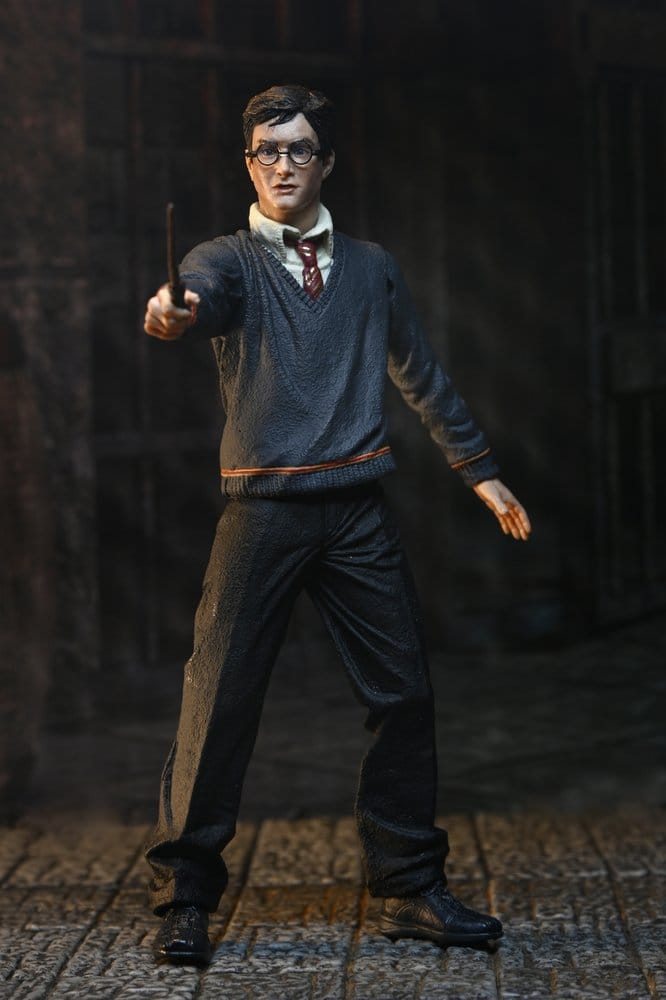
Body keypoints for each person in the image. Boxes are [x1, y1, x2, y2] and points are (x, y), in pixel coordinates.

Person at [143, 84, 531, 966]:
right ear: (248, 163)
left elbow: (418, 371)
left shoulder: (369, 265)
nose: (283, 166)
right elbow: (196, 298)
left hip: (357, 511)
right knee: (218, 699)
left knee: (404, 696)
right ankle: (184, 896)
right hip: (263, 511)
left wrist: (479, 469)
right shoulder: (226, 260)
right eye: (267, 151)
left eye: (300, 150)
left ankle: (408, 887)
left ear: (327, 162)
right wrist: (173, 312)